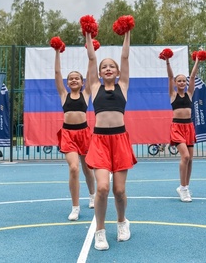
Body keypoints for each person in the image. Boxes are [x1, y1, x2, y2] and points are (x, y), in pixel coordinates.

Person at [84, 30, 137, 251]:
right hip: (100, 142)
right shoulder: (94, 86)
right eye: (104, 66)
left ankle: (122, 221)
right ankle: (100, 231)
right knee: (103, 188)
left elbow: (125, 57)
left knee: (119, 191)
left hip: (120, 140)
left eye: (111, 66)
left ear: (117, 72)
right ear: (99, 72)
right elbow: (91, 57)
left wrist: (127, 33)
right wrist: (87, 34)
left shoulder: (122, 86)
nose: (107, 68)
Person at [54, 48, 95, 221]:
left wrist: (91, 51)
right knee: (73, 168)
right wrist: (57, 52)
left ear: (82, 81)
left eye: (76, 78)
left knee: (87, 169)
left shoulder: (86, 94)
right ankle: (75, 207)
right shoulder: (64, 95)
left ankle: (92, 195)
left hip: (84, 134)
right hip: (68, 135)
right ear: (67, 82)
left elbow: (91, 70)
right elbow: (57, 72)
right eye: (70, 79)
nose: (73, 80)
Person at [166, 55, 199, 202]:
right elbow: (170, 76)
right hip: (177, 127)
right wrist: (167, 61)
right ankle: (182, 187)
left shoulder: (189, 94)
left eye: (183, 80)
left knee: (190, 159)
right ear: (175, 83)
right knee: (185, 156)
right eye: (179, 81)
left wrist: (197, 61)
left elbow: (193, 77)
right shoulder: (173, 94)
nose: (182, 82)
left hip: (189, 127)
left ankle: (185, 187)